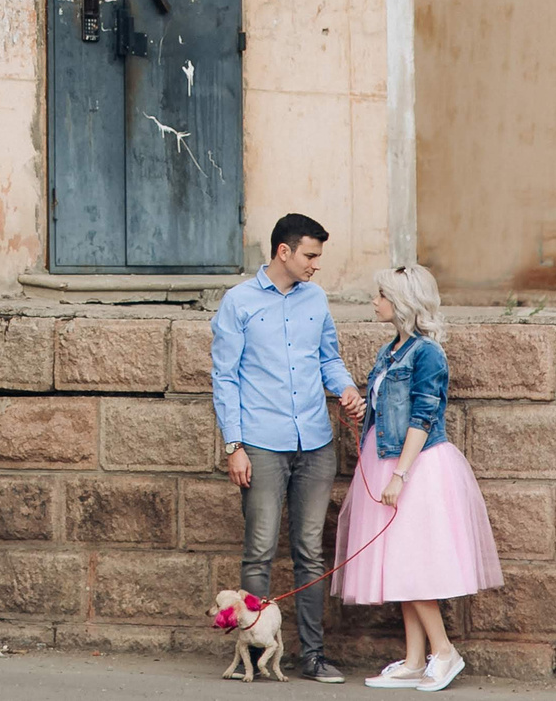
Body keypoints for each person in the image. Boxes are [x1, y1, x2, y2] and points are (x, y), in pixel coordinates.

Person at [211, 213, 366, 682]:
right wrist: (234, 446)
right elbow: (225, 378)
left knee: (310, 553)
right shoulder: (238, 302)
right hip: (261, 443)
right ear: (284, 251)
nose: (316, 264)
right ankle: (256, 657)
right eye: (311, 255)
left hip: (315, 442)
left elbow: (328, 357)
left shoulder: (315, 299)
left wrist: (345, 387)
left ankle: (313, 656)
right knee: (259, 550)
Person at [338, 264, 501, 692]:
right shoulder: (390, 350)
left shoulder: (427, 353)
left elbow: (423, 417)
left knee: (412, 562)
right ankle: (414, 659)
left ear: (403, 301)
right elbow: (388, 410)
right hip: (386, 460)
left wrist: (400, 474)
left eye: (381, 294)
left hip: (417, 466)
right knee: (398, 562)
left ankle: (444, 651)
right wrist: (362, 409)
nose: (374, 301)